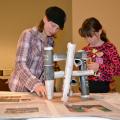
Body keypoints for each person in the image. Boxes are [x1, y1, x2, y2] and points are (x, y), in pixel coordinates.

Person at [9, 6, 66, 97]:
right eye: (53, 25)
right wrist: (36, 84)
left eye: (57, 28)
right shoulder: (28, 34)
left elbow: (45, 70)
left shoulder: (50, 42)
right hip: (20, 89)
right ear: (45, 19)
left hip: (36, 91)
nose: (54, 30)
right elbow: (19, 64)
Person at [78, 17, 120, 93]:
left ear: (99, 31)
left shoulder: (109, 47)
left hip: (104, 88)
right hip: (86, 88)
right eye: (86, 37)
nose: (89, 40)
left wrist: (99, 67)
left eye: (91, 36)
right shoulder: (84, 50)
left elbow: (118, 69)